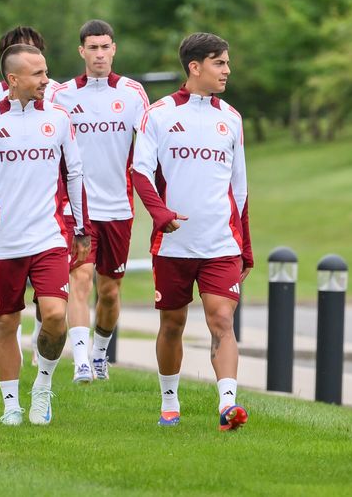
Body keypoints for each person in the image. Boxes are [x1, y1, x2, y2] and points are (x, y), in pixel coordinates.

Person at [0, 43, 90, 426]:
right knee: (6, 323)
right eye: (38, 74)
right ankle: (11, 406)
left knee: (54, 317)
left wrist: (82, 228)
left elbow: (75, 174)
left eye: (46, 72)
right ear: (12, 80)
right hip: (2, 243)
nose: (46, 80)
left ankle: (43, 387)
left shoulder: (59, 117)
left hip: (50, 237)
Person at [132, 32, 252, 430]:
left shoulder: (231, 118)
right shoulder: (160, 114)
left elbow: (241, 189)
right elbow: (140, 172)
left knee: (222, 320)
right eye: (220, 63)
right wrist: (160, 213)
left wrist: (245, 248)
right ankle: (170, 402)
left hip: (220, 244)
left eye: (228, 62)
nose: (227, 70)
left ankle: (228, 406)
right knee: (173, 324)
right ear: (194, 67)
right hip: (173, 244)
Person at [49, 20, 150, 383]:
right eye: (92, 47)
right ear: (82, 52)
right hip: (76, 209)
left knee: (109, 292)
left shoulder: (133, 93)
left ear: (114, 49)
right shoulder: (60, 95)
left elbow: (151, 151)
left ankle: (99, 355)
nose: (99, 54)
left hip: (119, 208)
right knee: (80, 279)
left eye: (105, 46)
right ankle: (79, 362)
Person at [0, 25, 59, 362]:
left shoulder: (58, 102)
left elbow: (69, 164)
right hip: (5, 226)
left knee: (53, 308)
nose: (43, 78)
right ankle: (11, 399)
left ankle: (44, 376)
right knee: (6, 319)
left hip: (49, 223)